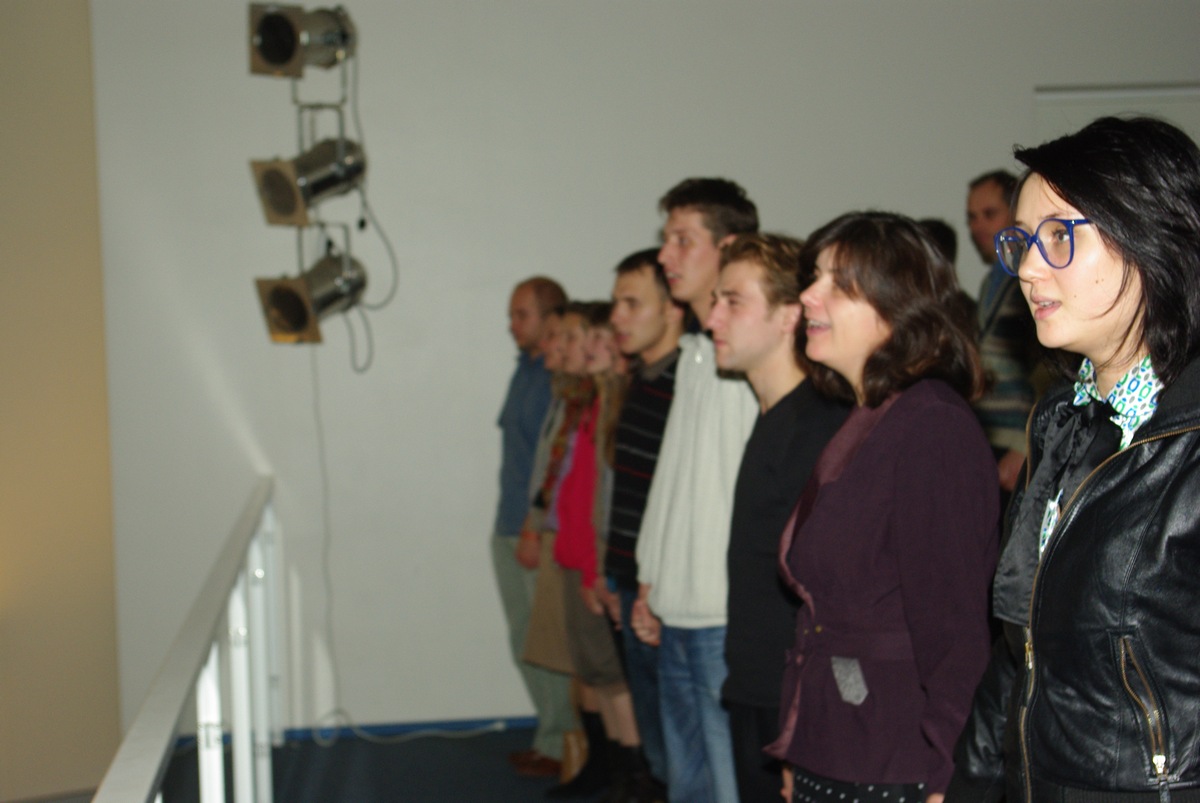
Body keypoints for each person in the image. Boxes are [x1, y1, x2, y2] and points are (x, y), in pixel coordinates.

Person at [947, 117, 1200, 801]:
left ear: (1151, 236)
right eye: (1023, 241)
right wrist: (969, 780)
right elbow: (1019, 648)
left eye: (1059, 236)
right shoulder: (1060, 422)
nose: (1028, 268)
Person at [770, 212, 999, 803]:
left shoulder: (932, 425)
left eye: (838, 284)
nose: (809, 296)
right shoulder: (873, 416)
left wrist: (950, 776)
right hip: (839, 741)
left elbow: (955, 630)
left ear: (900, 306)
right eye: (813, 277)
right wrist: (801, 739)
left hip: (897, 760)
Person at [705, 233, 849, 803]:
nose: (713, 318)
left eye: (733, 301)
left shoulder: (817, 427)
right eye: (715, 300)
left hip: (789, 695)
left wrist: (801, 719)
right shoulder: (775, 416)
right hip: (756, 681)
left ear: (789, 315)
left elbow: (828, 590)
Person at [632, 178, 760, 803]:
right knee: (688, 786)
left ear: (728, 246)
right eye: (666, 240)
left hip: (722, 614)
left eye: (683, 240)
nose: (666, 256)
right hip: (676, 607)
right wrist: (648, 578)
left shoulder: (748, 358)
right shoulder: (693, 353)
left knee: (731, 783)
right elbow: (672, 481)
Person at [603, 248, 687, 798]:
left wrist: (648, 585)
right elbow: (629, 495)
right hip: (632, 579)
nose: (617, 317)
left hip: (663, 587)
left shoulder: (686, 385)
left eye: (632, 304)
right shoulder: (643, 379)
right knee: (657, 741)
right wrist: (615, 574)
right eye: (616, 303)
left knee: (678, 743)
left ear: (672, 308)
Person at [492, 276, 575, 779]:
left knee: (545, 641)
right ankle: (551, 735)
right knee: (523, 638)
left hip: (531, 529)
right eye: (511, 315)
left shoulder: (554, 379)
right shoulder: (525, 370)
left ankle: (563, 743)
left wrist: (531, 527)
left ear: (550, 318)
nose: (512, 324)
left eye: (521, 315)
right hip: (507, 523)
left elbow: (553, 463)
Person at [967, 170, 1039, 498]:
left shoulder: (1034, 279)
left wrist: (1025, 443)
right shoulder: (993, 280)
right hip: (989, 435)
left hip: (1020, 439)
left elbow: (1054, 368)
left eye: (989, 214)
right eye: (972, 217)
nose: (977, 226)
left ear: (1016, 214)